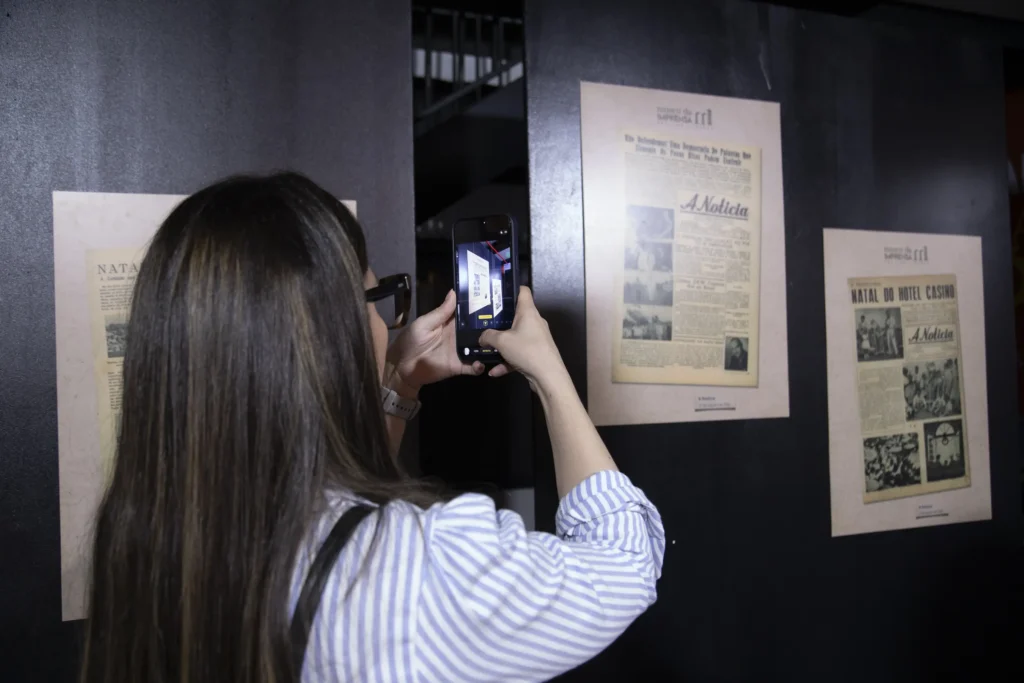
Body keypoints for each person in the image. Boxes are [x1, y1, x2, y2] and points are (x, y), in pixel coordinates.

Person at [80, 173, 664, 683]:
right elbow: (624, 562)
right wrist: (549, 374)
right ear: (332, 331)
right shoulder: (419, 565)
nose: (386, 324)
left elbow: (340, 502)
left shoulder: (146, 532)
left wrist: (398, 386)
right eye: (376, 299)